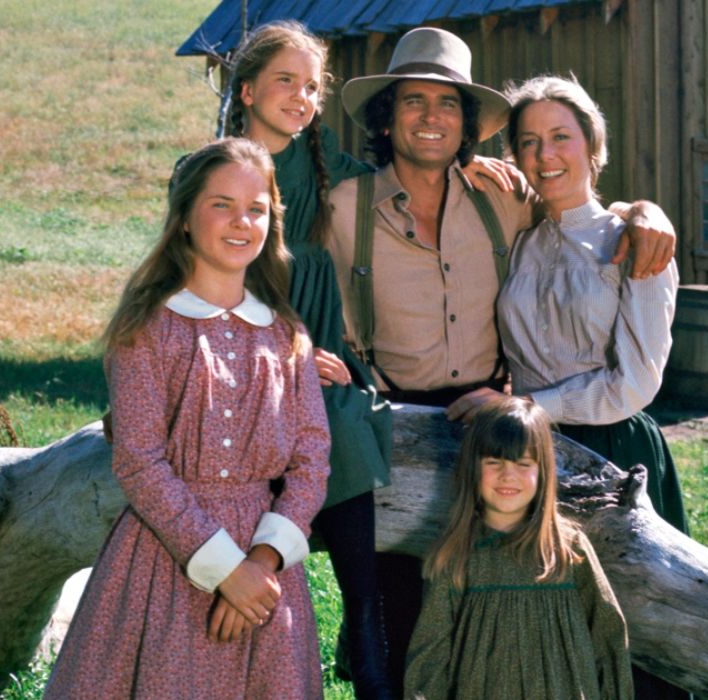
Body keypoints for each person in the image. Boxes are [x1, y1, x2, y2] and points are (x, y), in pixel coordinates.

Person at [325, 26, 676, 695]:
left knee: (601, 622)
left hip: (543, 430)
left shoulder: (539, 210)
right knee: (432, 613)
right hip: (419, 418)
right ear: (385, 115)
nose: (430, 117)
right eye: (413, 101)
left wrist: (645, 211)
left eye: (448, 104)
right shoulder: (361, 210)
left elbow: (585, 221)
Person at [218, 20, 516, 698]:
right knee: (345, 415)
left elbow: (413, 172)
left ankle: (367, 639)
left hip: (340, 372)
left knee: (348, 409)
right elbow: (201, 281)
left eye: (310, 86)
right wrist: (283, 353)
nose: (299, 96)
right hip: (256, 360)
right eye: (284, 81)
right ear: (247, 89)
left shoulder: (334, 173)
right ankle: (368, 645)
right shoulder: (217, 174)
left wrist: (469, 165)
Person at [44, 138, 329, 699]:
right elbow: (140, 462)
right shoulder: (148, 330)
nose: (241, 221)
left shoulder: (286, 334)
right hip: (164, 561)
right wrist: (226, 570)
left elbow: (311, 459)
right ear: (184, 219)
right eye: (221, 204)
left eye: (257, 208)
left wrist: (261, 566)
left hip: (266, 574)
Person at [456, 74, 688, 535]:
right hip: (524, 447)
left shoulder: (634, 241)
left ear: (593, 147)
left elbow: (637, 383)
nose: (546, 155)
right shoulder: (518, 241)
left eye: (561, 137)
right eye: (529, 142)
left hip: (613, 447)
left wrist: (529, 404)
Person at [403, 398, 633, 699]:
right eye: (494, 462)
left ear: (544, 471)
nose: (507, 475)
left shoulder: (568, 550)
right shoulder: (456, 557)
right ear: (473, 467)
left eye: (523, 463)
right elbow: (430, 652)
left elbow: (608, 634)